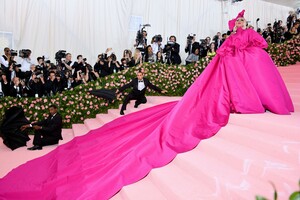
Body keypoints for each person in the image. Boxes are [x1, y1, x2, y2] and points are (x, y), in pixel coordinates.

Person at [0, 10, 294, 199]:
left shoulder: (249, 35)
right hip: (229, 67)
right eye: (239, 22)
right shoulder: (230, 40)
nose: (241, 25)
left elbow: (260, 45)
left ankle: (258, 97)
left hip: (247, 63)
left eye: (242, 22)